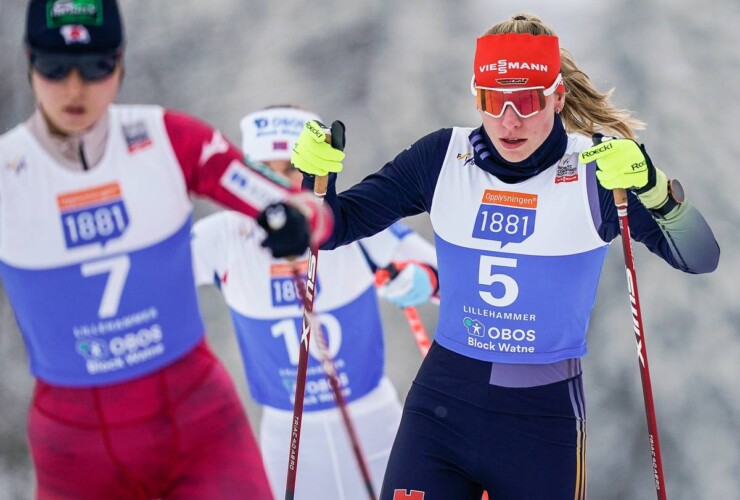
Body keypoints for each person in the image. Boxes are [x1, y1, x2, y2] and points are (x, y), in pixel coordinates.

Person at [265, 12, 721, 500]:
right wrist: (318, 185)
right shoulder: (442, 157)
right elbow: (335, 227)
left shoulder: (596, 169)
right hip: (440, 409)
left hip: (541, 422)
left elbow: (699, 256)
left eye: (526, 101)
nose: (509, 120)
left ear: (557, 96)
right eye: (492, 100)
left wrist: (653, 190)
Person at [0, 2, 329, 499]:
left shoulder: (165, 138)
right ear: (29, 62)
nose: (74, 88)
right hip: (76, 451)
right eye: (53, 67)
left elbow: (296, 206)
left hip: (196, 424)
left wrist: (296, 221)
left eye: (95, 67)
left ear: (121, 63)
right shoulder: (8, 171)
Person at [190, 105, 439, 499]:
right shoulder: (223, 236)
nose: (276, 183)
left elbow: (441, 272)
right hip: (284, 432)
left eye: (290, 168)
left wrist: (420, 279)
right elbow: (154, 281)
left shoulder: (348, 221)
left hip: (372, 419)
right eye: (263, 169)